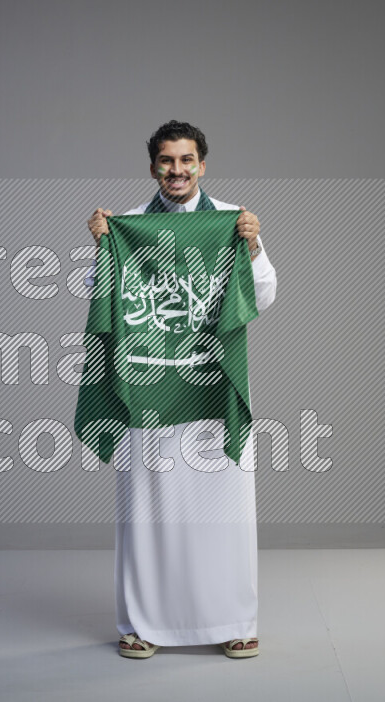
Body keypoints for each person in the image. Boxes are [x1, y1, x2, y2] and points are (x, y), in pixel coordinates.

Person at [83, 120, 277, 658]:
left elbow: (262, 296)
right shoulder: (130, 226)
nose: (177, 170)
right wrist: (102, 247)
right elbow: (101, 299)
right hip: (147, 387)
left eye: (187, 160)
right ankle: (143, 625)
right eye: (167, 161)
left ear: (202, 166)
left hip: (211, 383)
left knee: (223, 507)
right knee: (147, 510)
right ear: (153, 168)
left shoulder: (232, 220)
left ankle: (234, 620)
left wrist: (253, 247)